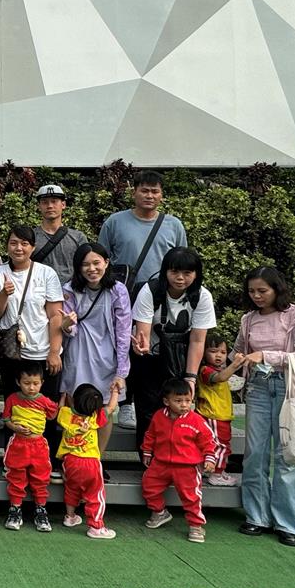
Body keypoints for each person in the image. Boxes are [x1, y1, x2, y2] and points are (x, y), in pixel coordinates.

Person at [98, 170, 188, 430]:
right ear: (134, 192)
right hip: (124, 294)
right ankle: (126, 403)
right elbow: (102, 259)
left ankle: (158, 402)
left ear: (161, 195)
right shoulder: (115, 222)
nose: (150, 195)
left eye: (155, 191)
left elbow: (182, 261)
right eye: (144, 190)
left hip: (161, 297)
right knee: (124, 345)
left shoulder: (173, 225)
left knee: (152, 349)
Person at [236, 266, 295, 548]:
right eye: (252, 291)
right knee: (255, 454)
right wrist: (232, 362)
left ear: (277, 289)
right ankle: (257, 516)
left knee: (289, 456)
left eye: (263, 290)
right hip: (258, 387)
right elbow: (239, 351)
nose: (257, 296)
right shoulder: (248, 319)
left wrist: (265, 355)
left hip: (293, 390)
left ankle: (286, 523)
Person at [0, 226, 65, 475]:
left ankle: (48, 462)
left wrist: (54, 351)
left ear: (32, 247)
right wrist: (4, 293)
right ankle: (12, 461)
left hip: (42, 352)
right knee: (13, 409)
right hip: (12, 354)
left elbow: (55, 315)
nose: (18, 248)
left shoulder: (46, 273)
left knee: (47, 409)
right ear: (7, 245)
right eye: (13, 243)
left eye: (24, 243)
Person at [130, 246, 216, 450]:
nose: (180, 278)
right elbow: (143, 332)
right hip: (151, 358)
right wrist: (141, 346)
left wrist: (190, 378)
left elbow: (197, 340)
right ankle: (149, 458)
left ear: (196, 274)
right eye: (174, 271)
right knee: (148, 412)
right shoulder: (150, 290)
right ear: (165, 271)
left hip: (181, 357)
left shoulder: (202, 296)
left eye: (187, 273)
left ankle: (178, 457)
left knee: (179, 409)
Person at [60, 243, 131, 459]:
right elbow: (68, 328)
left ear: (106, 263)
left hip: (107, 354)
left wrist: (121, 371)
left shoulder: (117, 290)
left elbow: (123, 331)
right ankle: (75, 457)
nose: (91, 269)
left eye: (96, 263)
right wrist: (66, 325)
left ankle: (96, 459)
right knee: (75, 406)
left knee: (104, 408)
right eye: (85, 265)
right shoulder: (69, 289)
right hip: (78, 352)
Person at [141, 378, 217, 544]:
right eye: (178, 401)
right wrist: (147, 451)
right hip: (160, 463)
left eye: (188, 401)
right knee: (148, 485)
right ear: (166, 401)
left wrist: (210, 458)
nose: (184, 405)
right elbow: (150, 435)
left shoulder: (196, 420)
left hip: (187, 467)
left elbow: (209, 440)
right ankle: (159, 512)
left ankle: (196, 525)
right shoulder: (159, 416)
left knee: (191, 497)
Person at [2, 362, 58, 533]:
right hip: (18, 444)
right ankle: (15, 509)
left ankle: (41, 510)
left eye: (35, 383)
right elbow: (6, 419)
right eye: (26, 383)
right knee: (16, 477)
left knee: (41, 478)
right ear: (18, 382)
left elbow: (53, 414)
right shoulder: (12, 399)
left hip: (39, 445)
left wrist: (62, 402)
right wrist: (15, 427)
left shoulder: (44, 401)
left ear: (42, 382)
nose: (31, 388)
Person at [58, 384, 115, 539]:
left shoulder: (66, 415)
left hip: (70, 461)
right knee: (95, 495)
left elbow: (61, 407)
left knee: (72, 488)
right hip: (90, 463)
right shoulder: (96, 417)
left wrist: (63, 396)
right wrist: (115, 391)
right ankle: (96, 527)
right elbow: (111, 407)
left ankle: (70, 517)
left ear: (74, 401)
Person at [197, 332, 244, 486]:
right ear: (203, 352)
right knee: (220, 445)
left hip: (220, 416)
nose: (219, 355)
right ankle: (216, 474)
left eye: (223, 352)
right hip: (213, 416)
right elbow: (221, 378)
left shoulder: (217, 369)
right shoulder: (205, 370)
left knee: (216, 444)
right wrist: (235, 364)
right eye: (213, 351)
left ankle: (210, 469)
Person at [31, 185, 88, 284]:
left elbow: (86, 266)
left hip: (71, 291)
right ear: (39, 206)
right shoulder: (30, 237)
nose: (50, 206)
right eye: (45, 202)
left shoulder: (78, 237)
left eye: (54, 201)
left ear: (63, 204)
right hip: (38, 289)